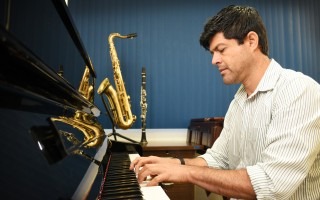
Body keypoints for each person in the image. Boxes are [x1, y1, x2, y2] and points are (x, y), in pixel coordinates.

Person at [130, 5, 320, 199]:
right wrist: (175, 164)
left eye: (221, 50)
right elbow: (218, 159)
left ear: (251, 41)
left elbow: (271, 184)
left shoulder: (298, 91)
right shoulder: (239, 101)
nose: (214, 60)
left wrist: (187, 173)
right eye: (213, 53)